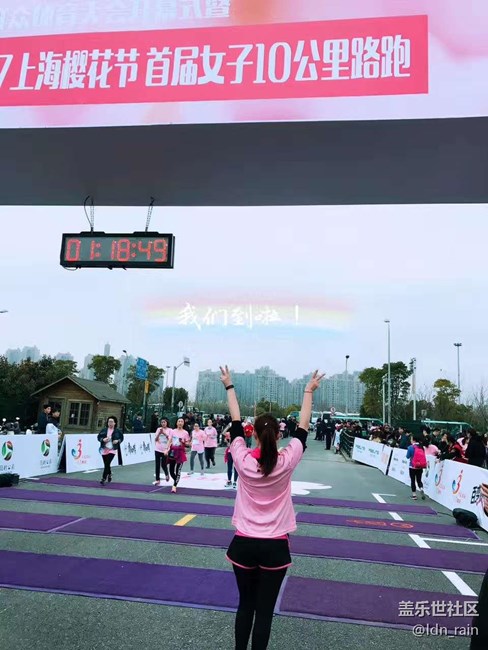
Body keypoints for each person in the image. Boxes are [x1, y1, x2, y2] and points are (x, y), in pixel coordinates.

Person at [220, 364, 325, 650]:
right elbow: (303, 428)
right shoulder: (286, 460)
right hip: (275, 546)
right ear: (279, 435)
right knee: (264, 612)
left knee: (246, 606)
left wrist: (229, 386)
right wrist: (307, 391)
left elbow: (236, 421)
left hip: (243, 543)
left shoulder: (241, 459)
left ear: (254, 434)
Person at [166, 418, 190, 493]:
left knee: (178, 470)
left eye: (181, 421)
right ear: (176, 423)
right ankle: (176, 480)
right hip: (173, 451)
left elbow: (188, 444)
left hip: (180, 452)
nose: (180, 423)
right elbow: (169, 441)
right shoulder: (172, 431)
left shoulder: (185, 433)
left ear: (183, 423)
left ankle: (174, 486)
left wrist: (183, 442)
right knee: (171, 471)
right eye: (179, 421)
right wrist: (166, 449)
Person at [97, 416, 124, 486]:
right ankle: (109, 474)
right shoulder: (104, 430)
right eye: (109, 422)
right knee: (106, 464)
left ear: (115, 423)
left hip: (112, 449)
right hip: (104, 449)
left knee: (107, 463)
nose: (110, 423)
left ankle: (103, 478)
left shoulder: (117, 431)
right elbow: (99, 437)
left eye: (112, 422)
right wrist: (103, 440)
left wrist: (117, 441)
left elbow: (122, 438)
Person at [406, 434, 427, 500]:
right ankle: (421, 488)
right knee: (419, 480)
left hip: (412, 466)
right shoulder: (421, 447)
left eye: (411, 439)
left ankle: (414, 495)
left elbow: (407, 456)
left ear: (413, 440)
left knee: (413, 480)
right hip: (420, 466)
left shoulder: (410, 447)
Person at [153, 417, 171, 485]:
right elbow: (156, 439)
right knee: (157, 465)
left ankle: (167, 474)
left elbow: (170, 439)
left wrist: (164, 433)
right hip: (158, 449)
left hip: (165, 450)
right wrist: (159, 433)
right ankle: (157, 479)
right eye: (162, 422)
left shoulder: (170, 430)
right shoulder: (158, 429)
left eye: (164, 422)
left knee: (163, 464)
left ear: (167, 423)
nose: (163, 423)